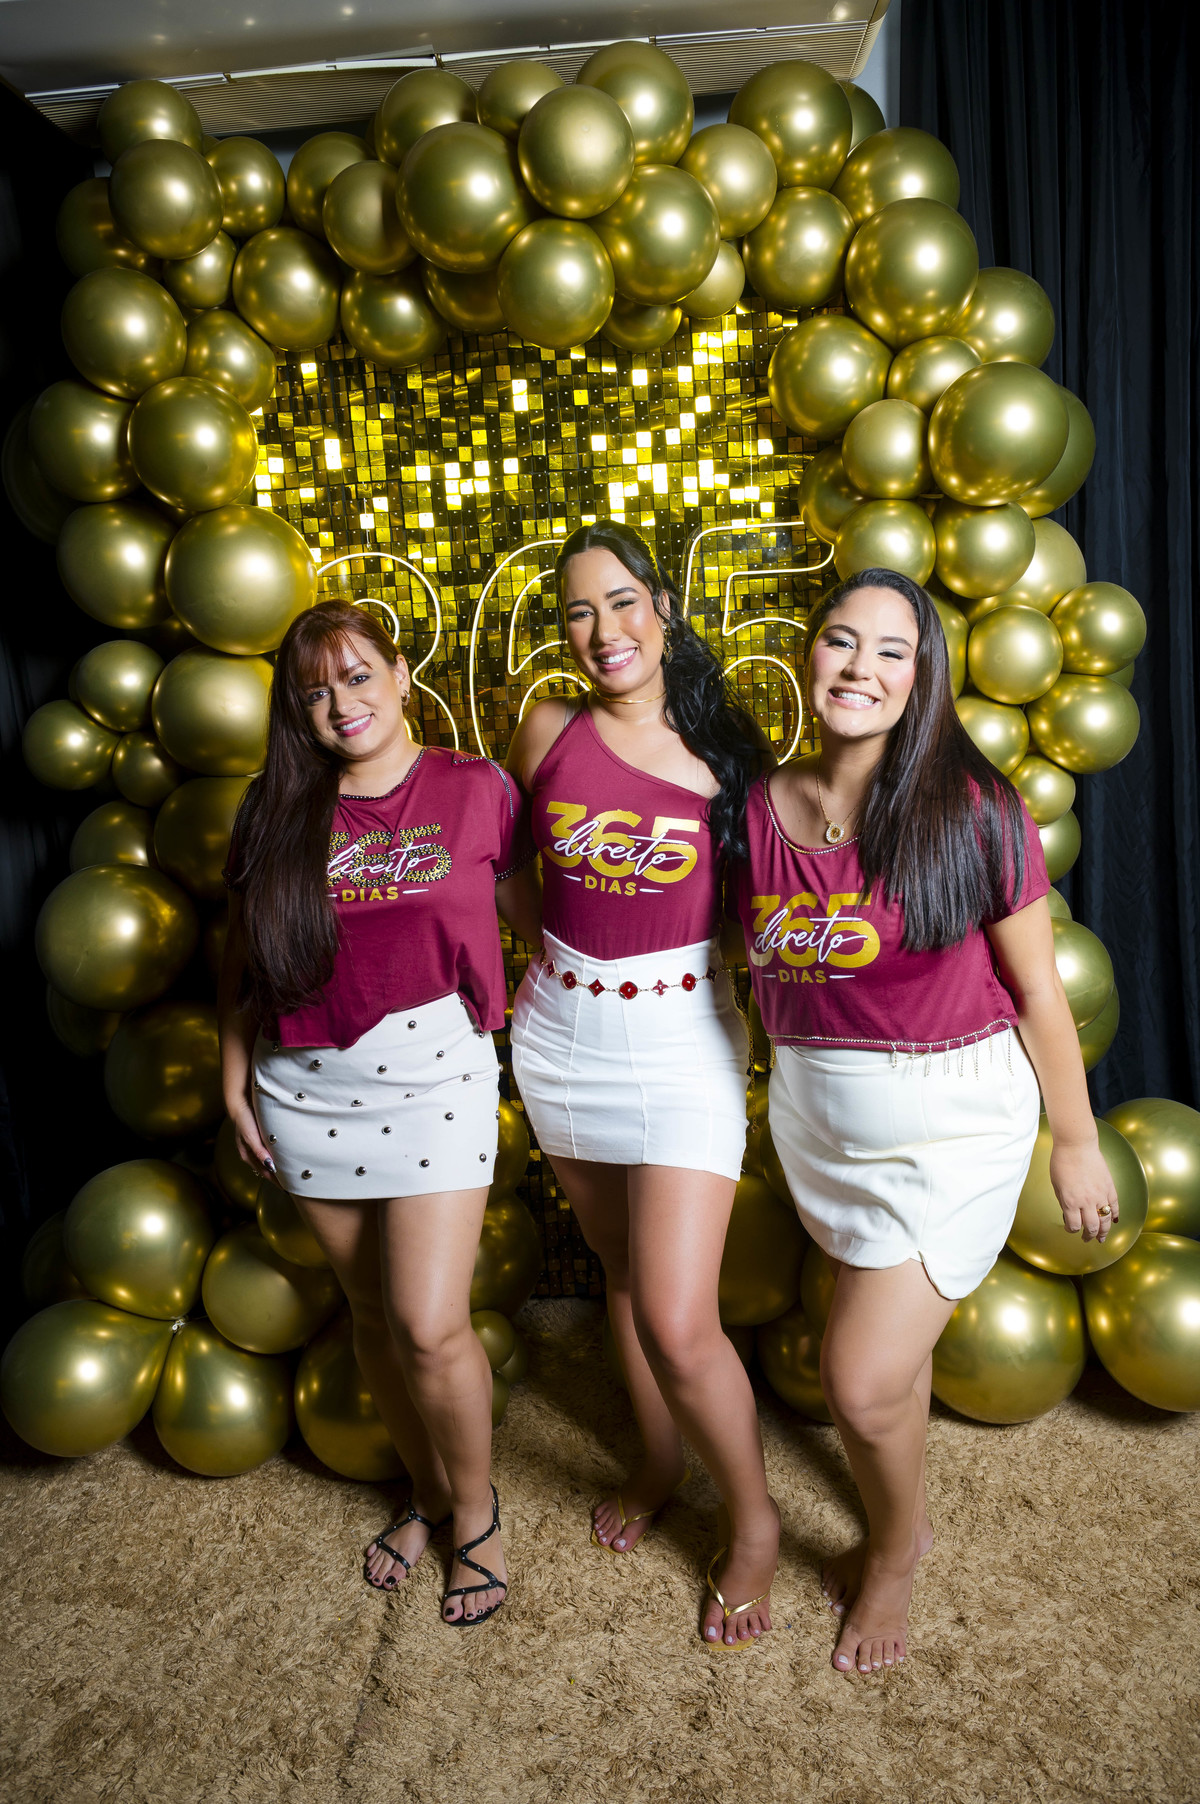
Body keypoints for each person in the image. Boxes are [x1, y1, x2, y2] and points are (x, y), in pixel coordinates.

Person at [732, 566, 1119, 1676]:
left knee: (857, 1382)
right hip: (820, 1124)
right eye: (841, 641)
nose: (860, 667)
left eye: (891, 651)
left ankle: (896, 1550)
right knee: (887, 1372)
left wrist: (1077, 1140)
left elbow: (1038, 990)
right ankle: (903, 1511)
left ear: (922, 677)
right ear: (808, 654)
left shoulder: (974, 810)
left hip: (952, 1126)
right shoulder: (756, 809)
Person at [219, 599, 540, 1625]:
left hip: (437, 1073)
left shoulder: (478, 788)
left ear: (402, 676)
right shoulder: (274, 808)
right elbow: (245, 956)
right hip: (305, 1084)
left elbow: (538, 921)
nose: (341, 703)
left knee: (430, 1325)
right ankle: (426, 1493)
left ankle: (477, 1517)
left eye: (358, 676)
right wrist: (233, 1073)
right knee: (369, 1316)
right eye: (314, 691)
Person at [505, 520, 778, 1649]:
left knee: (676, 1314)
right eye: (578, 611)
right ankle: (661, 1462)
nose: (602, 628)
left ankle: (753, 1522)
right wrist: (554, 961)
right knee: (621, 1272)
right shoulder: (544, 729)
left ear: (663, 606)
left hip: (680, 1043)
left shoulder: (731, 754)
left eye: (620, 601)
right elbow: (509, 872)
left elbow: (768, 915)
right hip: (560, 1036)